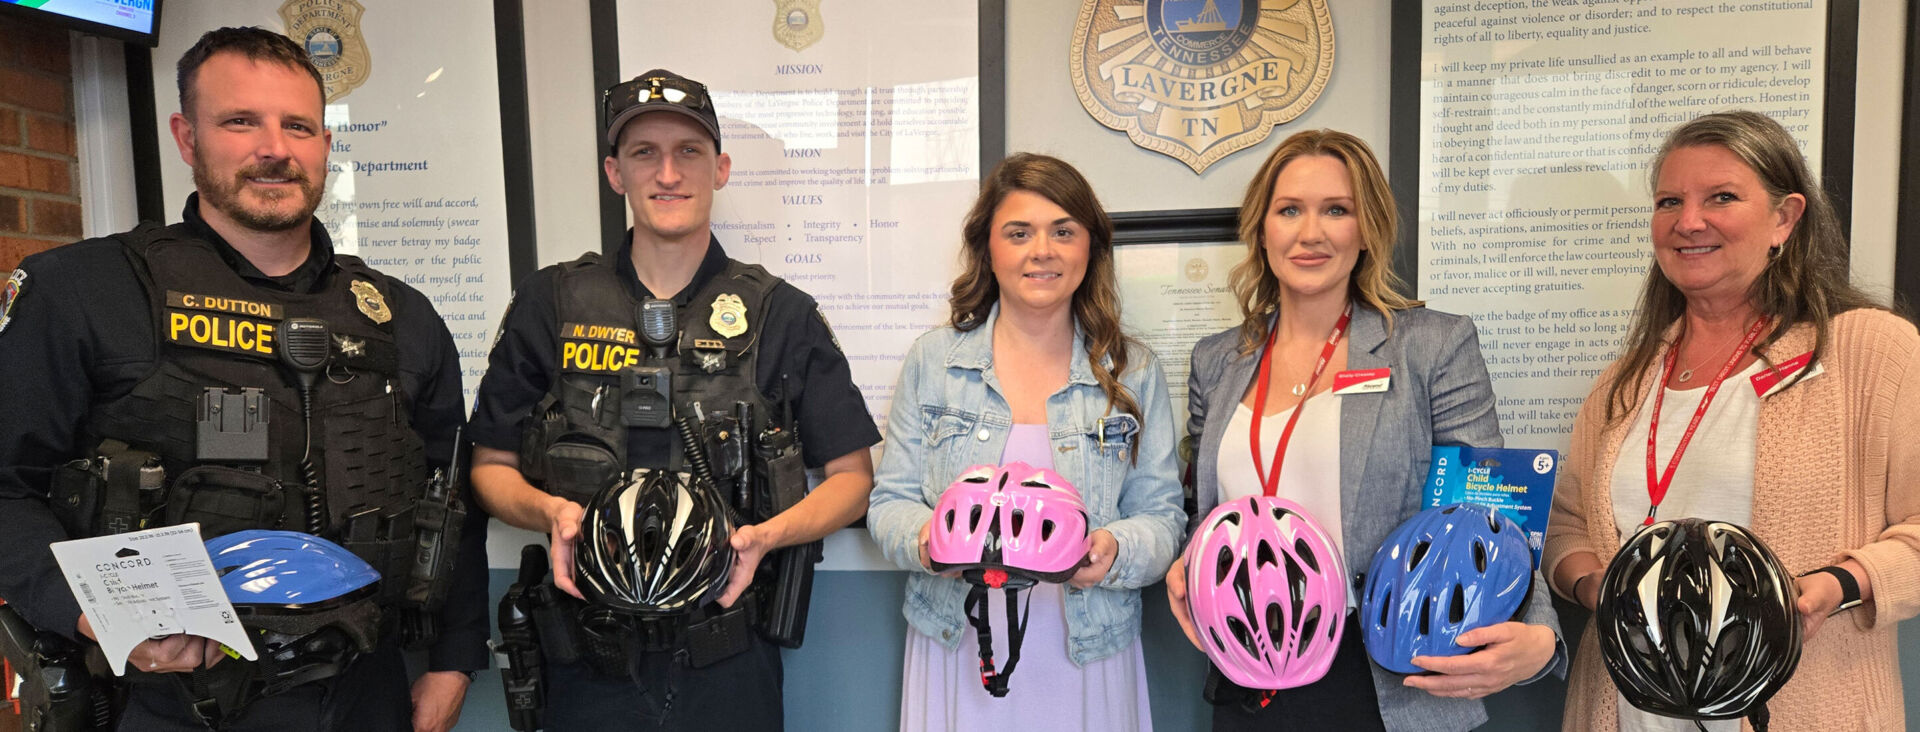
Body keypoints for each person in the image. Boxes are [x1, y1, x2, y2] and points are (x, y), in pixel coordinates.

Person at [0, 27, 488, 732]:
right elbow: (6, 487)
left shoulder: (400, 318)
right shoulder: (82, 293)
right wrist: (91, 613)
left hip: (365, 691)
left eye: (298, 126)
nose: (274, 148)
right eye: (240, 121)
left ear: (325, 145)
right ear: (186, 137)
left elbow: (451, 496)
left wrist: (454, 660)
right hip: (166, 699)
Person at [467, 69, 880, 731]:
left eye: (688, 150)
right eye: (644, 153)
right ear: (615, 172)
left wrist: (766, 537)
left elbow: (853, 481)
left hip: (729, 659)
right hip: (586, 659)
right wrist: (551, 512)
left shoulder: (781, 314)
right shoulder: (551, 304)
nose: (667, 173)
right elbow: (489, 465)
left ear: (720, 168)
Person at [1165, 129, 1565, 731]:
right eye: (1289, 210)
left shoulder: (1430, 346)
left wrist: (1540, 635)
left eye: (1336, 210)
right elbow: (1211, 511)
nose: (1311, 233)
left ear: (1367, 228)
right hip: (1251, 661)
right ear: (1262, 229)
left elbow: (1488, 507)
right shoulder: (1218, 359)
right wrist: (1192, 559)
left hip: (1389, 670)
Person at [1542, 110, 1920, 731]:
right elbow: (1566, 527)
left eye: (1721, 197)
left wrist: (1837, 585)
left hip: (1807, 707)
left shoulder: (1870, 352)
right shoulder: (1624, 383)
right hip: (1626, 714)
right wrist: (1598, 588)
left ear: (1785, 219)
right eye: (1669, 202)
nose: (1689, 221)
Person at [866, 152, 1185, 732]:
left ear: (1090, 247)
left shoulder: (1133, 372)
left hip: (1088, 652)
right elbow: (889, 503)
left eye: (1063, 231)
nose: (1042, 250)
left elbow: (1163, 517)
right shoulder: (933, 362)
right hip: (956, 647)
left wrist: (1113, 550)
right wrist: (930, 542)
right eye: (1019, 233)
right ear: (988, 248)